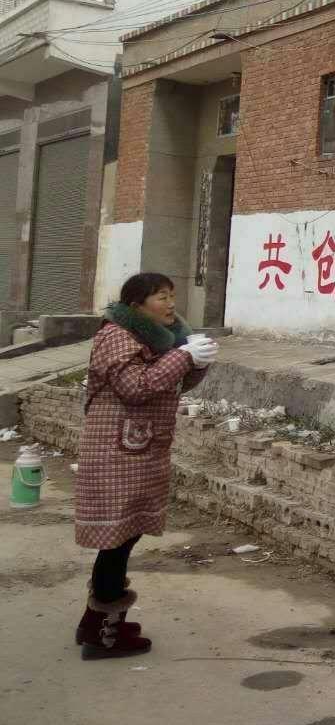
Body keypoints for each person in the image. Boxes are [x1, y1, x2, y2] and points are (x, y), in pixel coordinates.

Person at [73, 273, 218, 658]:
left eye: (171, 296)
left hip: (137, 449)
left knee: (124, 535)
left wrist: (196, 362)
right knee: (116, 539)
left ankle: (94, 621)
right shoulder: (116, 336)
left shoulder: (156, 337)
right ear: (136, 305)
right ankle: (103, 636)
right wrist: (183, 356)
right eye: (161, 297)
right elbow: (136, 387)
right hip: (114, 452)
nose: (170, 304)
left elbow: (168, 383)